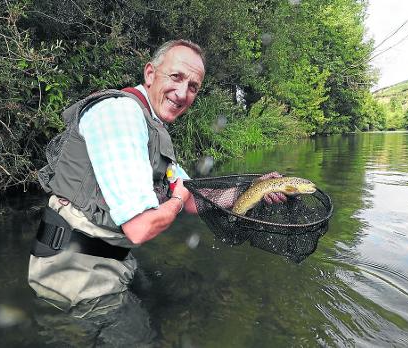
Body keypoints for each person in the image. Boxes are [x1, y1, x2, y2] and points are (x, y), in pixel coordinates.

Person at [28, 39, 286, 316]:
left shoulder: (150, 124)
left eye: (193, 87)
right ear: (150, 74)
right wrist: (175, 199)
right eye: (176, 76)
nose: (183, 92)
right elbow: (142, 227)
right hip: (74, 273)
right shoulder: (121, 115)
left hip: (108, 258)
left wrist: (251, 190)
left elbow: (192, 197)